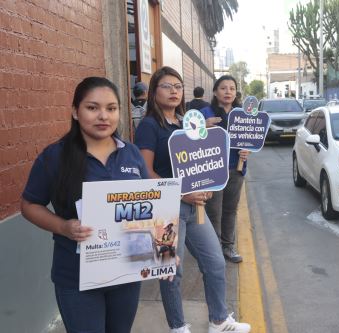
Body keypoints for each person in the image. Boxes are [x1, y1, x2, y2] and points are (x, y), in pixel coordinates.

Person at [20, 77, 148, 333]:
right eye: (92, 107)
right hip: (76, 278)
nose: (103, 116)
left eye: (111, 108)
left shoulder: (132, 154)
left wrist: (162, 253)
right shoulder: (55, 156)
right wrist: (63, 226)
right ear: (75, 112)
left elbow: (147, 210)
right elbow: (29, 205)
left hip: (126, 276)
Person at [134, 66, 251, 333]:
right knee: (171, 271)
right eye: (167, 86)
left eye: (178, 86)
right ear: (154, 92)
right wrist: (182, 193)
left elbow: (202, 160)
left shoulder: (187, 121)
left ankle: (219, 320)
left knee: (214, 262)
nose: (174, 91)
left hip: (194, 207)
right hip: (165, 209)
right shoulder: (150, 126)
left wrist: (207, 184)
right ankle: (178, 327)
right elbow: (145, 172)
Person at [200, 75, 250, 264]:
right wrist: (202, 126)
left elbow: (250, 139)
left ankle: (228, 246)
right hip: (212, 172)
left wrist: (247, 150)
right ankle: (212, 250)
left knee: (230, 210)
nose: (228, 91)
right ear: (215, 92)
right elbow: (187, 135)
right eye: (223, 88)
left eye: (231, 88)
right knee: (214, 211)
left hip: (236, 169)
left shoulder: (242, 115)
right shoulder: (205, 112)